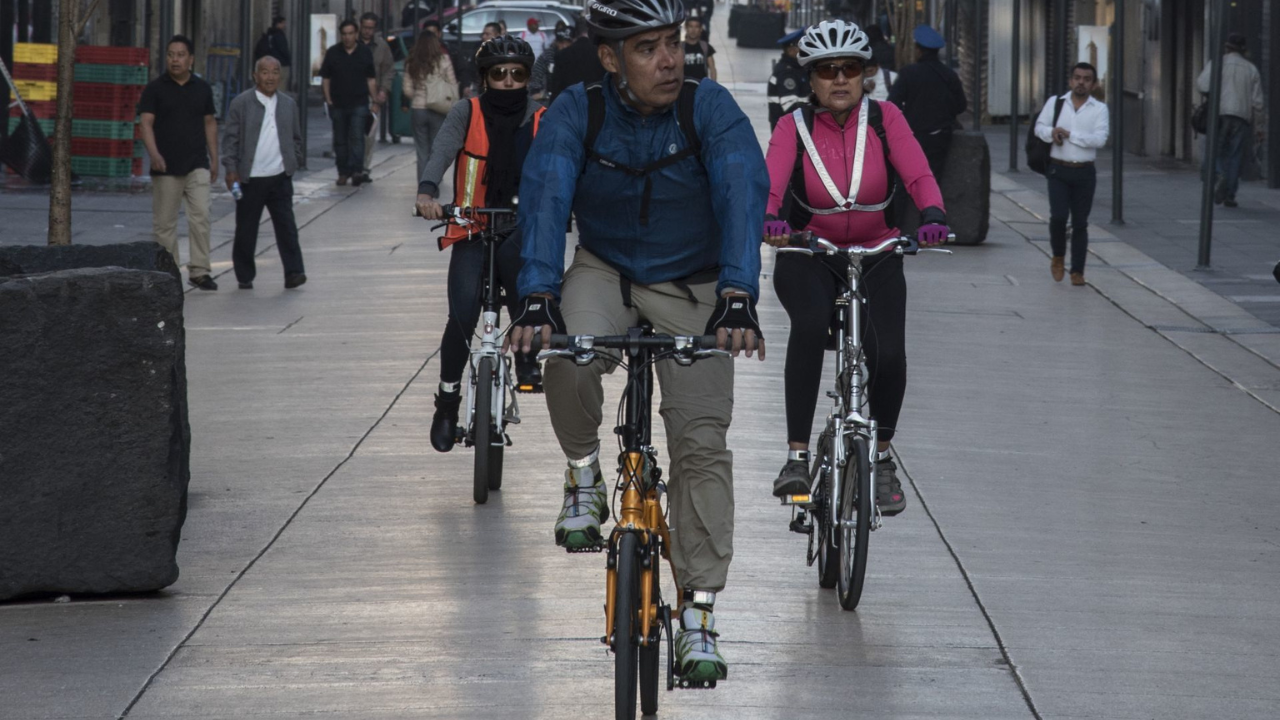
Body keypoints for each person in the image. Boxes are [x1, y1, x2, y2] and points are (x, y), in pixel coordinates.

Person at [509, 0, 768, 685]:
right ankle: (582, 470)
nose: (668, 61)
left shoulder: (708, 108)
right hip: (608, 269)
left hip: (695, 282)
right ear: (608, 58)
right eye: (648, 48)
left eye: (674, 45)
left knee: (701, 443)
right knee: (568, 346)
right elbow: (545, 191)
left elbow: (745, 186)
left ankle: (699, 613)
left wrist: (739, 292)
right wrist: (536, 290)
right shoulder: (578, 110)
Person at [762, 19, 948, 517]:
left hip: (876, 253)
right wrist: (770, 221)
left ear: (865, 74)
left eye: (850, 69)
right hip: (809, 252)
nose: (839, 79)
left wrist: (933, 214)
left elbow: (919, 173)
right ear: (812, 78)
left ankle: (882, 457)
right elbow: (772, 188)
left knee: (888, 358)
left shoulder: (886, 120)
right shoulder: (792, 127)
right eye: (827, 70)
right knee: (806, 325)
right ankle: (796, 457)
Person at [414, 36, 547, 453]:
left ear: (527, 78)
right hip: (472, 226)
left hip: (520, 227)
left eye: (517, 74)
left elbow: (563, 167)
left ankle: (526, 356)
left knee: (530, 295)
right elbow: (441, 152)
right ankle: (448, 402)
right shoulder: (464, 112)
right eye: (498, 74)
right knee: (461, 315)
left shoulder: (544, 118)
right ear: (485, 78)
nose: (508, 82)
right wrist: (427, 192)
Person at [139, 35, 220, 291]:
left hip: (197, 162)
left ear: (191, 59)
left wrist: (215, 158)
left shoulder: (202, 88)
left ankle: (200, 270)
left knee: (201, 217)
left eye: (181, 54)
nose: (175, 59)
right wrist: (154, 154)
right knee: (165, 225)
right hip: (165, 167)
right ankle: (168, 273)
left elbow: (209, 123)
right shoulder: (155, 89)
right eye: (171, 54)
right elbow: (145, 124)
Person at [221, 56, 307, 291]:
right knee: (246, 229)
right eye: (265, 72)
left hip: (280, 176)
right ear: (255, 75)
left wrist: (293, 160)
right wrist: (230, 169)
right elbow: (230, 140)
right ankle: (244, 275)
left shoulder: (288, 104)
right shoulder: (241, 103)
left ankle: (294, 272)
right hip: (251, 178)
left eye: (275, 72)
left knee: (287, 227)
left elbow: (296, 138)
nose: (270, 77)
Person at [1034, 62, 1108, 286]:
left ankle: (1077, 270)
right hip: (1058, 169)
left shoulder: (1099, 109)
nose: (1081, 82)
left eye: (1086, 79)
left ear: (1093, 84)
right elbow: (1039, 127)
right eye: (1077, 78)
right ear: (1070, 81)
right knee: (1057, 217)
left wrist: (1072, 135)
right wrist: (1052, 132)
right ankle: (1058, 256)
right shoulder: (1056, 103)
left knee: (1080, 222)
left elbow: (1100, 139)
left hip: (1084, 171)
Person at [888, 24, 966, 178]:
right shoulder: (949, 75)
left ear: (918, 49)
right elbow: (961, 105)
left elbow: (892, 104)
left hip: (912, 136)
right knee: (932, 180)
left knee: (904, 181)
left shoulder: (908, 73)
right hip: (940, 138)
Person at [1197, 32, 1264, 208]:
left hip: (1219, 114)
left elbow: (1202, 84)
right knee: (1234, 155)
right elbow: (1258, 102)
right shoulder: (1251, 69)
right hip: (1241, 117)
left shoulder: (1217, 64)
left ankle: (1219, 175)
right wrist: (1259, 126)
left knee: (1216, 150)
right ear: (1243, 50)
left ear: (1227, 48)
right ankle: (1230, 195)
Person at [320, 19, 377, 186]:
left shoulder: (364, 52)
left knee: (357, 137)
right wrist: (328, 99)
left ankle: (357, 170)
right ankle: (343, 172)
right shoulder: (333, 53)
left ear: (356, 34)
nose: (347, 37)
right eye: (344, 34)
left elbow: (370, 79)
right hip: (338, 103)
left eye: (350, 33)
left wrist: (375, 100)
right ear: (341, 35)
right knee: (340, 139)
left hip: (359, 102)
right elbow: (326, 78)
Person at [402, 30, 457, 181]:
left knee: (422, 151)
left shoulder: (412, 61)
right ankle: (433, 184)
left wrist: (417, 97)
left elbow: (407, 89)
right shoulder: (444, 60)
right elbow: (452, 84)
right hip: (438, 109)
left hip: (419, 110)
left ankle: (423, 186)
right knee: (436, 150)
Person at [359, 12, 395, 179]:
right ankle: (353, 166)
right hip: (353, 94)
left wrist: (383, 91)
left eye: (370, 28)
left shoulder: (382, 46)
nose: (367, 31)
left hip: (372, 96)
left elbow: (388, 70)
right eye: (365, 27)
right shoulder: (352, 42)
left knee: (369, 135)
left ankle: (364, 167)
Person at [547, 22, 606, 101]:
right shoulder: (601, 53)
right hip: (597, 102)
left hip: (570, 104)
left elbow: (556, 88)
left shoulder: (562, 55)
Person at [424, 19, 480, 97]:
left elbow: (461, 70)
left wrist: (465, 86)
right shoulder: (419, 53)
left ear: (439, 34)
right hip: (424, 95)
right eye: (428, 34)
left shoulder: (450, 51)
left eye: (433, 33)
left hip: (445, 95)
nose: (431, 37)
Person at [768, 28, 809, 130]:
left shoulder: (798, 68)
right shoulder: (786, 73)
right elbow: (790, 106)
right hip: (789, 131)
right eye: (801, 47)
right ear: (791, 50)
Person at [530, 25, 573, 104]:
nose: (564, 46)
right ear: (556, 42)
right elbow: (536, 77)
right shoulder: (547, 56)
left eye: (567, 43)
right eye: (561, 43)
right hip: (548, 99)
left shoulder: (575, 57)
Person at [252, 16, 293, 93]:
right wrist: (288, 60)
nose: (285, 25)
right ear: (279, 24)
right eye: (283, 23)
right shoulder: (279, 35)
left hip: (269, 64)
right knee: (280, 87)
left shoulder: (268, 35)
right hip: (281, 64)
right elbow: (283, 50)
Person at [682, 13, 716, 82]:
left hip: (701, 87)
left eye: (696, 27)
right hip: (683, 87)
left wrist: (713, 86)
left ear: (700, 29)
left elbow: (712, 69)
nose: (693, 30)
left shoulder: (706, 47)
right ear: (686, 28)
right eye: (690, 26)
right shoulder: (680, 47)